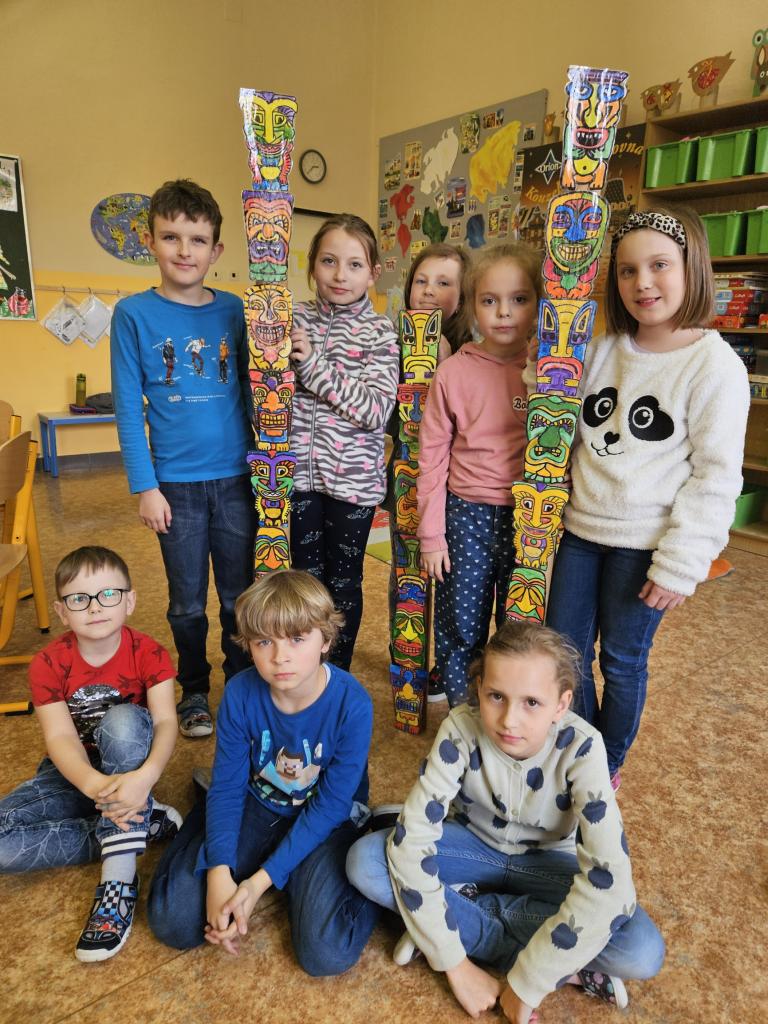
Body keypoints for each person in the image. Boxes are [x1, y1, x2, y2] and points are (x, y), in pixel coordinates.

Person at [347, 621, 664, 1022]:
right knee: (365, 861)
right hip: (471, 846)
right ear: (479, 689)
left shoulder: (583, 747)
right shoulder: (460, 728)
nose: (509, 720)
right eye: (496, 696)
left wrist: (527, 984)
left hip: (547, 864)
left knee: (642, 950)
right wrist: (455, 965)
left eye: (532, 702)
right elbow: (411, 845)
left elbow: (612, 886)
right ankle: (555, 963)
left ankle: (452, 914)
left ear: (562, 704)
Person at [546, 207, 750, 789]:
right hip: (580, 532)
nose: (643, 283)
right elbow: (558, 410)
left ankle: (604, 765)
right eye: (628, 270)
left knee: (622, 660)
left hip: (645, 546)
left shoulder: (714, 365)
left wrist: (681, 564)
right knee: (564, 651)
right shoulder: (603, 348)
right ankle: (578, 747)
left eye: (659, 265)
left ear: (692, 268)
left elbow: (716, 478)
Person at [147, 570, 380, 975]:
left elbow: (329, 806)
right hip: (257, 800)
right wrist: (219, 871)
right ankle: (218, 835)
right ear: (249, 645)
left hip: (326, 815)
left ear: (326, 640)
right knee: (173, 920)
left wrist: (259, 883)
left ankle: (349, 851)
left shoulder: (353, 704)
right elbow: (229, 788)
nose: (279, 656)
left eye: (297, 638)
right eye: (264, 641)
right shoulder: (240, 692)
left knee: (325, 955)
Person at [111, 179, 256, 739]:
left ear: (216, 250)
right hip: (175, 486)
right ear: (150, 241)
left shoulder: (235, 310)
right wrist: (146, 486)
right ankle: (194, 688)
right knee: (187, 603)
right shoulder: (133, 314)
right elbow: (128, 408)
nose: (184, 250)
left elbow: (254, 388)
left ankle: (241, 683)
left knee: (240, 597)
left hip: (238, 480)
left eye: (197, 240)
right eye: (171, 237)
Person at [0, 546, 180, 962]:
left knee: (122, 720)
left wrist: (145, 778)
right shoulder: (47, 663)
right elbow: (60, 737)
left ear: (130, 601)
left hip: (133, 773)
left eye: (108, 594)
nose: (95, 607)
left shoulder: (150, 653)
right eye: (79, 599)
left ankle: (118, 882)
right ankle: (138, 825)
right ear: (62, 612)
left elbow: (166, 723)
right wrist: (94, 784)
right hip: (74, 774)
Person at [417, 243, 539, 706]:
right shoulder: (452, 374)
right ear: (472, 305)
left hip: (528, 518)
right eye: (489, 301)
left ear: (539, 304)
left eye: (519, 299)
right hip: (464, 516)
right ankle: (461, 714)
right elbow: (431, 458)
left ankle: (508, 716)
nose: (504, 312)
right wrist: (432, 535)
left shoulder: (551, 372)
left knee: (519, 629)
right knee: (460, 626)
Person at [289, 214, 399, 670]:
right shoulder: (293, 319)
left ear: (373, 273)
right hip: (298, 478)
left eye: (354, 264)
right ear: (312, 265)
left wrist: (313, 365)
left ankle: (337, 672)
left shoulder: (381, 332)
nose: (340, 275)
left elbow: (374, 410)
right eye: (329, 261)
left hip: (353, 486)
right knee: (305, 582)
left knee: (344, 583)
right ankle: (304, 668)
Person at [383, 243, 472, 704]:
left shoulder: (473, 351)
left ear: (464, 294)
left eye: (444, 283)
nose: (429, 291)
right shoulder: (392, 342)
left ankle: (446, 666)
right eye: (421, 280)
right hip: (406, 476)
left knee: (451, 575)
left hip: (458, 484)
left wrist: (444, 361)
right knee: (407, 571)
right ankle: (406, 654)